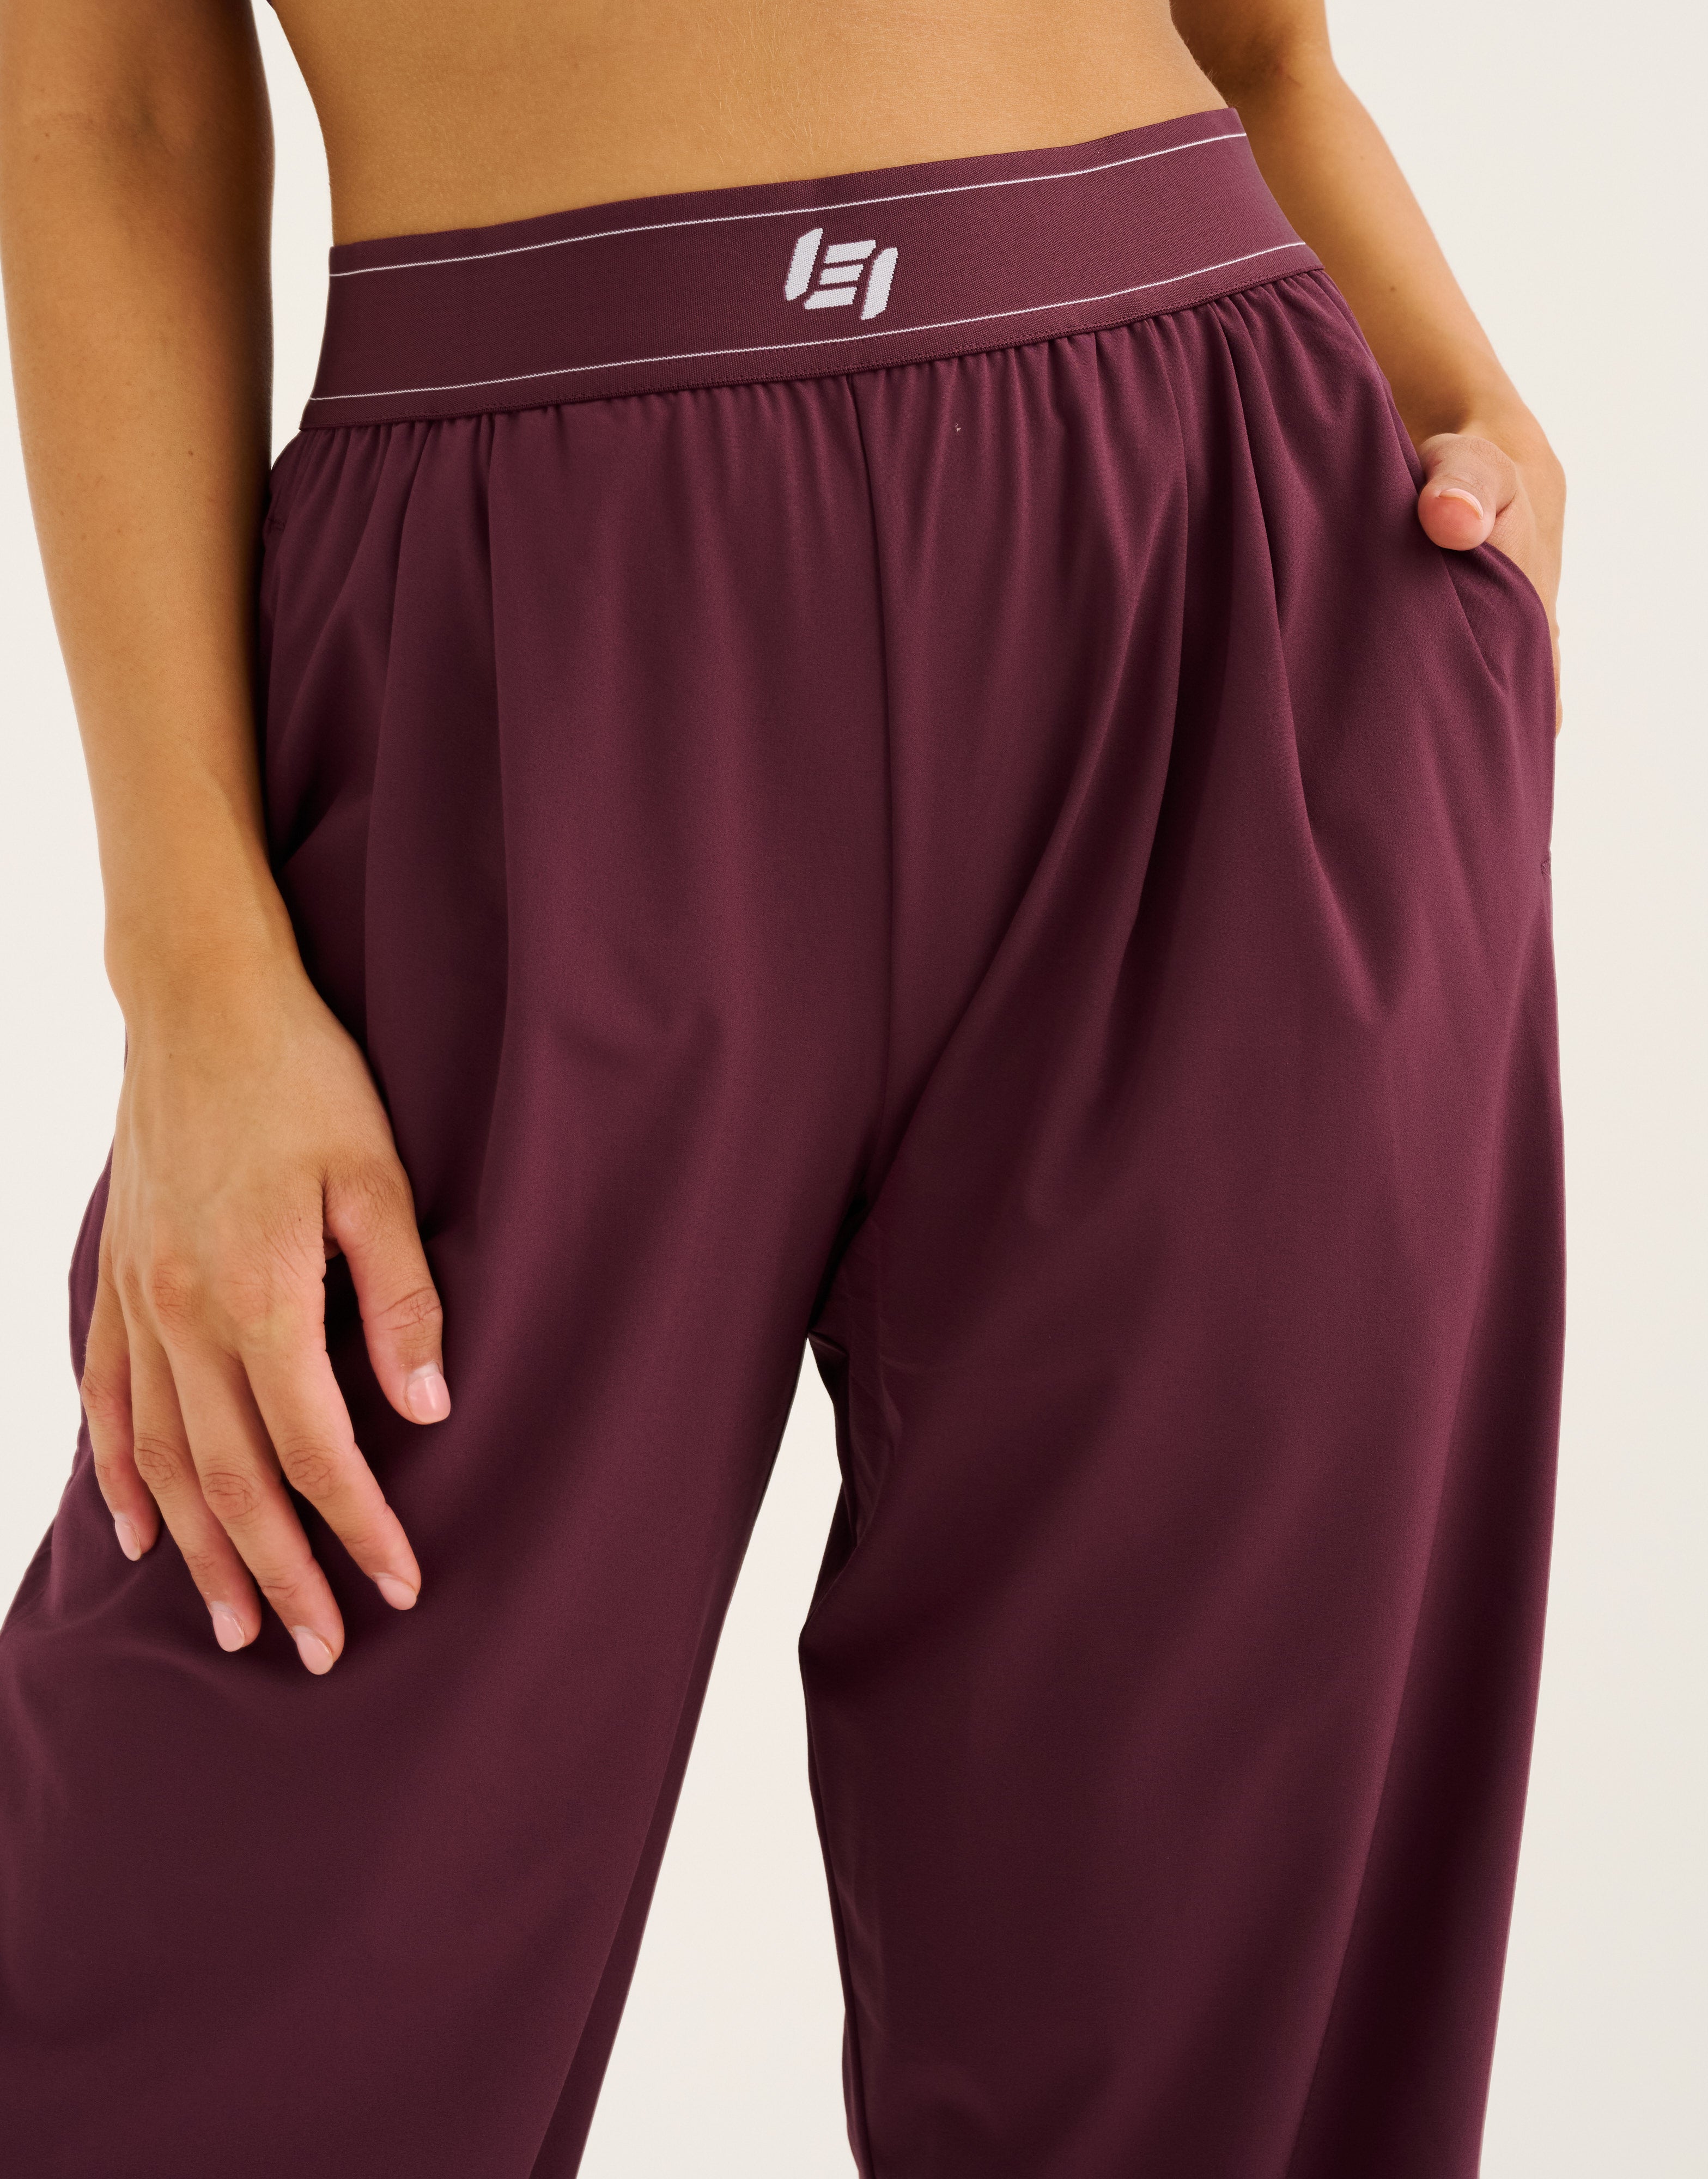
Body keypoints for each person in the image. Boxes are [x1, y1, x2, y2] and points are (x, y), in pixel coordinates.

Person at [0, 1, 1564, 2171]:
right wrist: (190, 972)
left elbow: (1261, 49)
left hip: (1223, 580)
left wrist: (1467, 407)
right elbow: (112, 105)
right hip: (522, 634)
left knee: (1204, 2020)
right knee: (214, 1917)